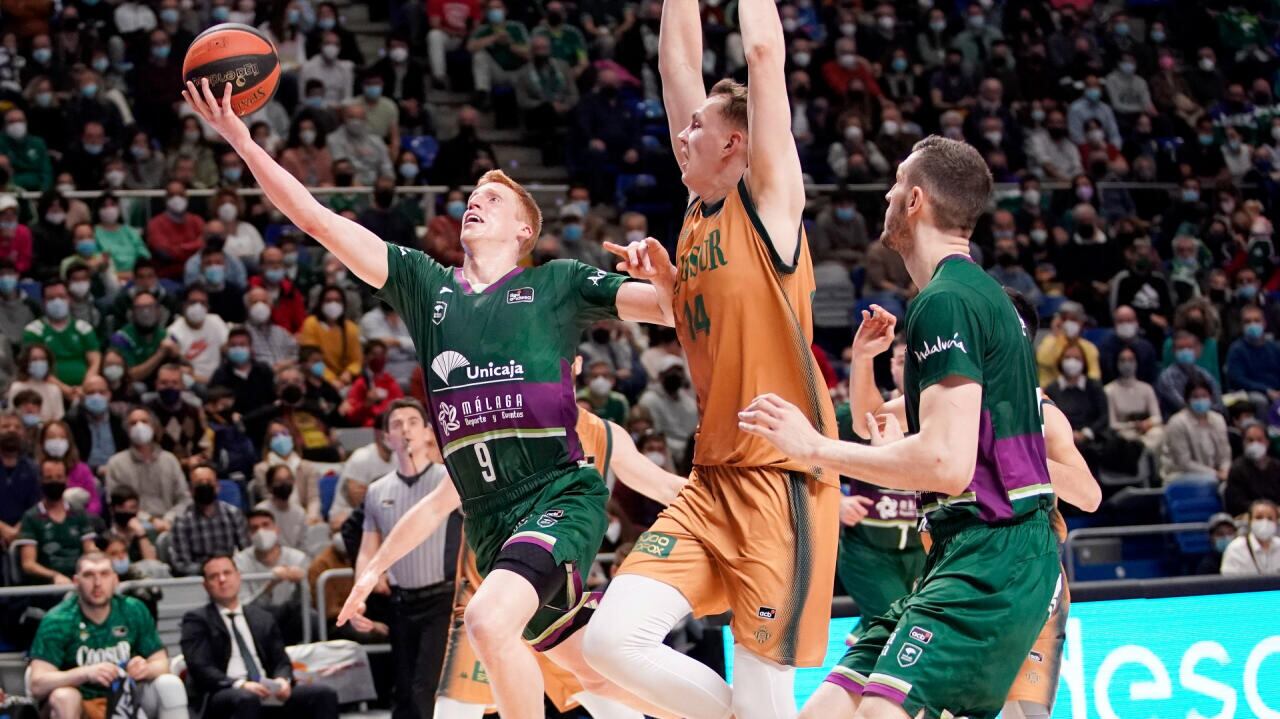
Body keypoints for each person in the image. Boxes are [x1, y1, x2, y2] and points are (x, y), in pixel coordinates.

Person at [184, 73, 671, 719]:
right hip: (490, 516)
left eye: (493, 199)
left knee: (490, 623)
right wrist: (242, 141)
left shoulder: (556, 282)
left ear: (525, 230)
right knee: (596, 672)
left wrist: (663, 279)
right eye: (472, 195)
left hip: (559, 493)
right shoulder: (424, 284)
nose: (476, 202)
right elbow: (315, 219)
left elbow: (669, 310)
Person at [738, 137, 1060, 719]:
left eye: (894, 183)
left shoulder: (947, 300)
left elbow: (945, 464)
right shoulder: (979, 295)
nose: (885, 193)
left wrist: (814, 447)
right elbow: (946, 449)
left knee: (879, 714)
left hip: (993, 550)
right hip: (970, 548)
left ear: (914, 201)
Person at [584, 2, 841, 717]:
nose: (680, 130)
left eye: (698, 125)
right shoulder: (696, 214)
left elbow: (762, 50)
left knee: (765, 697)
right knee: (610, 641)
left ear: (736, 145)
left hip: (778, 480)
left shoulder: (768, 202)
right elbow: (675, 65)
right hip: (711, 478)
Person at [338, 391, 687, 719]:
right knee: (454, 707)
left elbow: (664, 486)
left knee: (603, 690)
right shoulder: (497, 424)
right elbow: (434, 507)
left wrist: (730, 505)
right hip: (488, 591)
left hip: (557, 593)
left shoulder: (604, 433)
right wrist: (371, 571)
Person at [349, 400, 458, 719]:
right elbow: (368, 550)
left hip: (444, 600)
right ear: (386, 438)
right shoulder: (376, 491)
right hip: (401, 603)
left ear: (428, 433)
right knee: (404, 691)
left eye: (413, 421)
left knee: (428, 688)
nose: (405, 429)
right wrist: (359, 595)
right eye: (396, 424)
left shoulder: (448, 479)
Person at [27, 553, 188, 719]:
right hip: (81, 703)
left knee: (170, 684)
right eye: (89, 575)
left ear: (115, 580)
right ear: (76, 582)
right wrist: (85, 673)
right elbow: (37, 684)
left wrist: (145, 668)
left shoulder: (133, 610)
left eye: (104, 574)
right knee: (64, 696)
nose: (97, 583)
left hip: (127, 697)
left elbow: (162, 663)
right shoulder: (58, 619)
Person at [180, 555, 340, 719]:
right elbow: (200, 667)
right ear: (205, 585)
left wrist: (282, 680)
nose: (222, 579)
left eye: (227, 573)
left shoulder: (261, 617)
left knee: (323, 694)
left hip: (266, 688)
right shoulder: (196, 620)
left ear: (238, 576)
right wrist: (240, 684)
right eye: (214, 576)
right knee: (247, 699)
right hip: (224, 691)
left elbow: (281, 660)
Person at [104, 408, 190, 532]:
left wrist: (168, 519)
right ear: (127, 429)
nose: (139, 426)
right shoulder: (116, 463)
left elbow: (184, 499)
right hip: (131, 525)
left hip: (169, 524)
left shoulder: (170, 460)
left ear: (153, 426)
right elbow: (115, 503)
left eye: (144, 421)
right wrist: (151, 520)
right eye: (133, 423)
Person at [235, 509, 311, 644]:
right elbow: (244, 606)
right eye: (254, 528)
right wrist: (270, 586)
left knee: (312, 618)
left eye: (265, 525)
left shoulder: (297, 558)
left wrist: (300, 584)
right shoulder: (239, 562)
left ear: (276, 529)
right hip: (257, 619)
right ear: (249, 535)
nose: (261, 532)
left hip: (291, 618)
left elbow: (306, 603)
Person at [18, 459, 97, 584]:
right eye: (49, 477)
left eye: (59, 477)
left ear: (66, 479)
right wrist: (54, 576)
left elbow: (90, 550)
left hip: (79, 583)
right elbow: (28, 564)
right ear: (41, 481)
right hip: (46, 587)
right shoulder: (31, 517)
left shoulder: (78, 513)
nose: (54, 481)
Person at [170, 463, 250, 576]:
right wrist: (211, 571)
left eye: (209, 482)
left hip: (230, 573)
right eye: (199, 483)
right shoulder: (182, 520)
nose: (204, 485)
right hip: (198, 578)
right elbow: (181, 564)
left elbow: (247, 553)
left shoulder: (233, 513)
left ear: (217, 487)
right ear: (191, 490)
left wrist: (227, 569)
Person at [22, 278, 101, 388]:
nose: (57, 302)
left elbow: (95, 361)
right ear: (44, 302)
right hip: (47, 387)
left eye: (61, 297)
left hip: (84, 388)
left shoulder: (83, 328)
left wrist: (87, 386)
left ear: (69, 299)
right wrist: (66, 391)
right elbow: (37, 368)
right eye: (51, 298)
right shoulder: (34, 330)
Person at [1159, 378, 1232, 483]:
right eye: (1195, 397)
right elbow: (1184, 462)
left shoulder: (1218, 419)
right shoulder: (1177, 422)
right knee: (1211, 480)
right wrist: (1215, 474)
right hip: (1180, 474)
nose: (1200, 400)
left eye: (1204, 396)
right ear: (1187, 399)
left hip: (1216, 473)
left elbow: (1225, 455)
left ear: (1210, 398)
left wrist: (1225, 470)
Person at [327, 426, 395, 530]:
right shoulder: (362, 458)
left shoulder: (402, 458)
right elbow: (358, 503)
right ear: (378, 433)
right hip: (350, 516)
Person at [38, 419, 100, 516]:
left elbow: (94, 502)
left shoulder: (82, 469)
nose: (57, 441)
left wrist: (83, 518)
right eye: (52, 437)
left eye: (62, 437)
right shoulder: (35, 469)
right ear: (43, 442)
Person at [1156, 331, 1222, 418]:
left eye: (1189, 347)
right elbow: (1180, 405)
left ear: (1197, 349)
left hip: (1209, 420)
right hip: (1179, 423)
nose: (1185, 351)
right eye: (1181, 348)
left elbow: (1218, 403)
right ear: (1173, 351)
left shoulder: (1204, 375)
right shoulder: (1167, 377)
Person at [0, 410, 41, 547]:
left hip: (24, 533)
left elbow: (35, 506)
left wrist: (17, 531)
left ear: (24, 434)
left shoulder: (32, 469)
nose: (12, 430)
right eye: (5, 426)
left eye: (17, 427)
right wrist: (3, 530)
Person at [342, 339, 403, 426]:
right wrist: (367, 403)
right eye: (374, 354)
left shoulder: (391, 382)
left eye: (382, 355)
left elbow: (400, 405)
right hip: (368, 430)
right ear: (366, 357)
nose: (378, 358)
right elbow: (351, 416)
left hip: (390, 425)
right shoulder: (360, 383)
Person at [1225, 423, 1280, 516]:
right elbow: (1236, 503)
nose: (1255, 444)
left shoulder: (1277, 467)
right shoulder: (1237, 469)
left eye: (1259, 440)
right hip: (1247, 516)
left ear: (1267, 442)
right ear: (1243, 443)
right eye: (1250, 440)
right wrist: (1260, 509)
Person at [255, 464, 308, 551]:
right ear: (269, 486)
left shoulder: (300, 513)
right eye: (279, 481)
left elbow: (303, 544)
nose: (285, 484)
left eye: (288, 479)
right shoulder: (261, 512)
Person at [1221, 500, 1280, 575]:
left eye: (1270, 518)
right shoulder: (1235, 549)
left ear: (1276, 522)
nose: (1265, 522)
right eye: (1259, 517)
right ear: (1250, 521)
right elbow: (1229, 582)